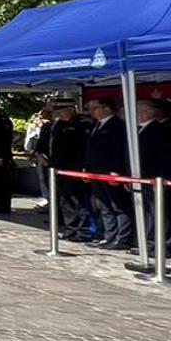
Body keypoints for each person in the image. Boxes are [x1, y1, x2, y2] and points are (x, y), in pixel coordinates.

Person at [83, 97, 135, 249]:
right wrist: (87, 167)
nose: (91, 112)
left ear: (106, 108)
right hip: (96, 171)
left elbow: (120, 150)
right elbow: (91, 149)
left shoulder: (118, 126)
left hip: (110, 172)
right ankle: (109, 236)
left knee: (119, 205)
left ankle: (123, 238)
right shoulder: (97, 125)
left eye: (95, 108)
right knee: (105, 205)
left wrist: (117, 170)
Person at [136, 98, 171, 248]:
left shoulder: (160, 130)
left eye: (138, 111)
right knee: (147, 211)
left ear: (147, 112)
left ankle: (163, 243)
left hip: (155, 177)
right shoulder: (138, 130)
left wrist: (160, 176)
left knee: (159, 212)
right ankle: (150, 241)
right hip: (141, 177)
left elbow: (163, 156)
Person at [45, 100, 93, 241]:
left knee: (78, 200)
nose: (58, 113)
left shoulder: (81, 124)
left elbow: (85, 149)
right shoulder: (59, 125)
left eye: (61, 110)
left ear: (70, 110)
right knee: (65, 200)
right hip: (59, 168)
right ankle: (70, 228)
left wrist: (84, 166)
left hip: (75, 168)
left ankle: (83, 230)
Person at [24, 104, 53, 210]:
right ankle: (48, 201)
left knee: (49, 181)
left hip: (50, 158)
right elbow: (40, 143)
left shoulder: (52, 126)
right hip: (41, 157)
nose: (43, 119)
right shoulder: (44, 126)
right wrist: (36, 154)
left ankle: (51, 203)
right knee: (43, 180)